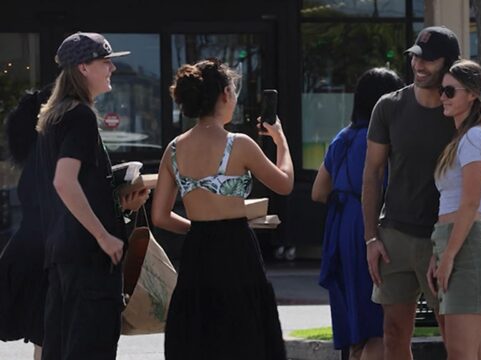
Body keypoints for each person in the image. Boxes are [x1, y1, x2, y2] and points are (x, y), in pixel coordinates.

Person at [362, 26, 481, 360]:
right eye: (416, 56)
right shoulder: (389, 107)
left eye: (429, 60)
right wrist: (370, 238)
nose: (419, 65)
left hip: (448, 240)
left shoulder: (460, 114)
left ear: (450, 64)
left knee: (457, 339)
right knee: (393, 333)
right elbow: (372, 174)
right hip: (395, 235)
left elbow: (475, 189)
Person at [151, 58, 293, 359]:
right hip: (237, 250)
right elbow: (284, 183)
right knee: (244, 337)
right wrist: (281, 142)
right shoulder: (238, 144)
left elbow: (160, 216)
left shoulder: (174, 148)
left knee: (199, 337)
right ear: (225, 95)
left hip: (198, 251)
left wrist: (198, 227)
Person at [35, 32, 149, 360]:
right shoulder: (81, 116)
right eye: (105, 62)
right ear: (84, 68)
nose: (112, 68)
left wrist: (120, 206)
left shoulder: (56, 116)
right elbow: (64, 182)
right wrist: (104, 236)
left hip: (63, 254)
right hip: (88, 260)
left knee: (62, 348)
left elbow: (73, 186)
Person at [312, 67, 404, 360]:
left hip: (339, 230)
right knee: (379, 326)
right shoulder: (385, 140)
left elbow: (317, 192)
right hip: (372, 227)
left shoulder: (343, 137)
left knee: (354, 326)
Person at [429, 59, 481, 359]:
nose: (443, 97)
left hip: (467, 249)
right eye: (441, 91)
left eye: (450, 91)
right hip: (456, 244)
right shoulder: (465, 138)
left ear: (471, 94)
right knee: (471, 352)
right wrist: (439, 254)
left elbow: (471, 203)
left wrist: (447, 257)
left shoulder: (473, 137)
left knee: (461, 353)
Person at [0, 84, 51, 360]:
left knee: (43, 337)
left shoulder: (33, 155)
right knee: (47, 333)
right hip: (47, 252)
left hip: (28, 250)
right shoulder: (50, 155)